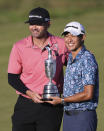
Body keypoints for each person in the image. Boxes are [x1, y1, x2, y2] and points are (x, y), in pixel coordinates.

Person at [8, 7, 68, 131]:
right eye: (31, 24)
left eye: (39, 24)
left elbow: (75, 68)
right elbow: (12, 77)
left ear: (48, 24)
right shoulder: (19, 46)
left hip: (52, 106)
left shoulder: (61, 44)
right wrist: (29, 93)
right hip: (26, 105)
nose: (34, 27)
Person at [47, 21, 99, 131]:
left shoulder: (87, 59)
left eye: (73, 36)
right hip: (69, 116)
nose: (69, 39)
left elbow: (88, 94)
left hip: (83, 116)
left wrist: (62, 100)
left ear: (83, 37)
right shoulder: (71, 57)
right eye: (66, 36)